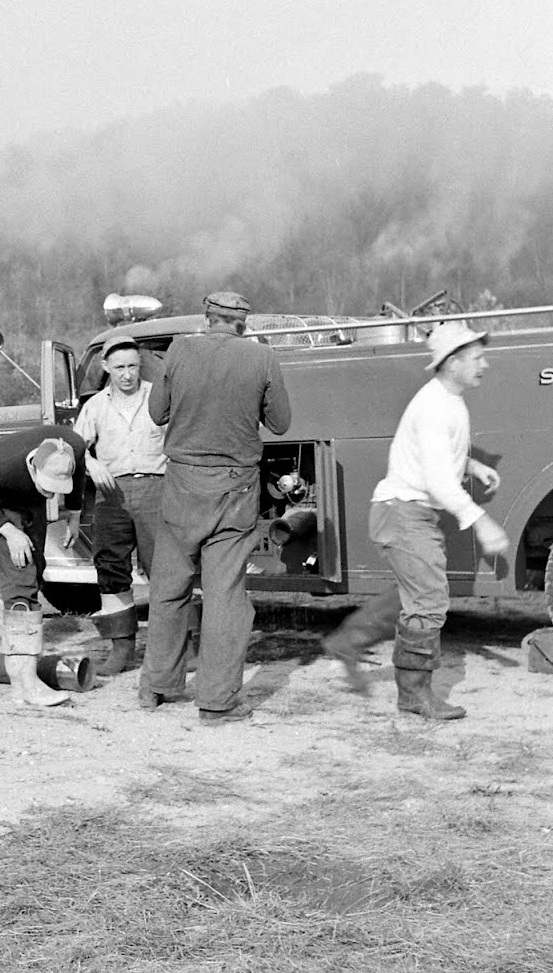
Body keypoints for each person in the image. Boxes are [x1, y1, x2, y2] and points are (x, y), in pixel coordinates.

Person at [322, 319, 509, 720]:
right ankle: (413, 695)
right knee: (427, 599)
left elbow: (438, 457)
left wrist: (473, 465)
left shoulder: (449, 398)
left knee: (416, 595)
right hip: (402, 513)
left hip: (407, 513)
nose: (485, 365)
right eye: (477, 358)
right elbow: (439, 482)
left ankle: (347, 642)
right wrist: (481, 521)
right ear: (453, 362)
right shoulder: (435, 407)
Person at [139, 292, 292, 725]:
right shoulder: (262, 358)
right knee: (225, 596)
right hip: (234, 490)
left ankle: (156, 687)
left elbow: (156, 414)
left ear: (207, 318)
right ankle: (216, 702)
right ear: (243, 323)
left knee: (169, 588)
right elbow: (281, 422)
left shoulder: (179, 350)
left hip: (181, 485)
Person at [0, 425, 89, 707]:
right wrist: (8, 529)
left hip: (32, 502)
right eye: (49, 485)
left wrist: (74, 516)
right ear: (33, 468)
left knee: (35, 573)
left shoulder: (75, 447)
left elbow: (77, 477)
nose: (53, 492)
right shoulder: (1, 467)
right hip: (3, 502)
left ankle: (18, 681)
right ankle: (28, 684)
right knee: (21, 582)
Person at [73, 335, 166, 675]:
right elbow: (71, 448)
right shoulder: (94, 406)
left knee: (167, 571)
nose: (127, 374)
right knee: (111, 569)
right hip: (112, 495)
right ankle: (122, 648)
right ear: (106, 368)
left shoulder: (159, 399)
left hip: (157, 488)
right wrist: (91, 463)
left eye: (132, 366)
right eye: (119, 368)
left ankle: (175, 648)